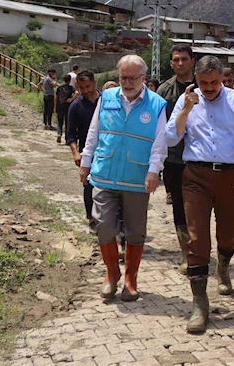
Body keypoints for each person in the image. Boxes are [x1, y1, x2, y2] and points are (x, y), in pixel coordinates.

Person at [166, 56, 234, 334]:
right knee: (197, 237)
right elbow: (171, 137)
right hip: (195, 175)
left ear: (222, 78)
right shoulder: (188, 101)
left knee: (228, 232)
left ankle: (224, 268)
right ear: (196, 78)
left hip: (231, 176)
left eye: (214, 82)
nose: (208, 88)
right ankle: (200, 303)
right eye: (203, 83)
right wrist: (185, 109)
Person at [79, 55, 168, 302]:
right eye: (123, 77)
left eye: (132, 78)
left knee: (135, 232)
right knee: (104, 227)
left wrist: (154, 171)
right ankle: (111, 275)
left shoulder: (157, 104)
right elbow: (94, 133)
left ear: (143, 78)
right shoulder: (106, 98)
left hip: (137, 177)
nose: (127, 82)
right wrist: (86, 163)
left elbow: (160, 144)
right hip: (105, 173)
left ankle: (131, 280)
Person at [156, 44, 196, 270]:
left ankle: (199, 246)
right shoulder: (164, 91)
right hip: (173, 159)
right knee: (178, 206)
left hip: (200, 157)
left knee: (200, 206)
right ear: (171, 63)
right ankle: (186, 251)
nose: (180, 63)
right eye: (176, 60)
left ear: (192, 61)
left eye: (184, 59)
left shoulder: (205, 87)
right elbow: (158, 126)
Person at [67, 71, 101, 231]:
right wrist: (75, 153)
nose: (85, 90)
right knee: (88, 185)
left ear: (94, 83)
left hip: (107, 150)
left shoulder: (106, 101)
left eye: (88, 86)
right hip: (86, 152)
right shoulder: (75, 106)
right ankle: (91, 218)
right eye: (81, 88)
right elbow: (71, 134)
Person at [55, 74, 76, 144]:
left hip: (60, 106)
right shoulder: (71, 88)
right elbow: (77, 93)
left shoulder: (59, 87)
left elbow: (56, 98)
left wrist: (55, 107)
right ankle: (67, 139)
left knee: (59, 122)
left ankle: (59, 134)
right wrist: (71, 99)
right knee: (67, 123)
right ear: (70, 81)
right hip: (67, 107)